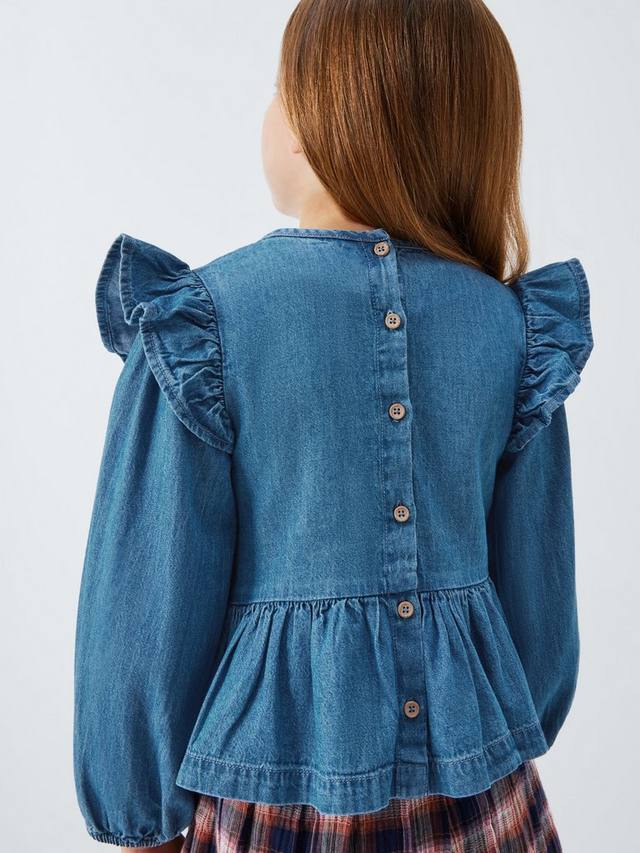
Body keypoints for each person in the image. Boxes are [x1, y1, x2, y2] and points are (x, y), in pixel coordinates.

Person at [73, 0, 593, 850]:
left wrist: (139, 812)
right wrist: (489, 713)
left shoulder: (207, 320)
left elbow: (147, 602)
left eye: (280, 88)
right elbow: (538, 619)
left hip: (269, 795)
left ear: (323, 116)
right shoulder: (511, 328)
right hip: (481, 797)